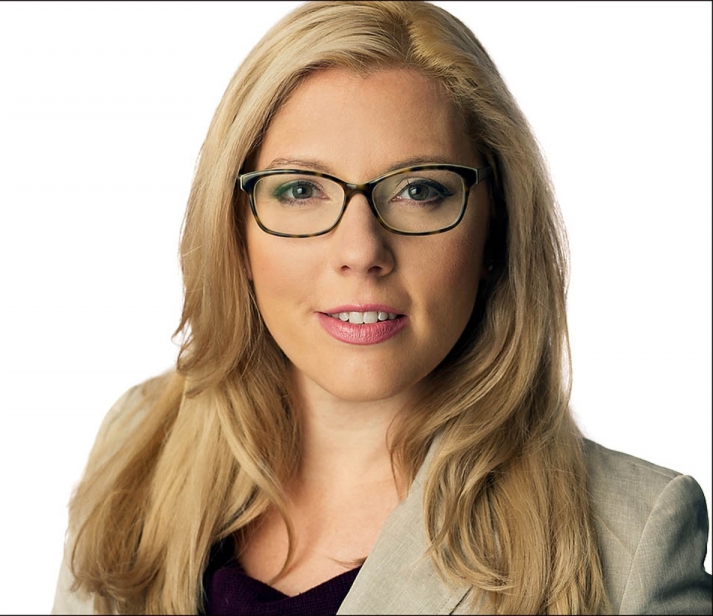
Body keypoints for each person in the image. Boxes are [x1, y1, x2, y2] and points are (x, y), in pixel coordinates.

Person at [51, 1, 712, 613]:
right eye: (301, 189)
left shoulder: (632, 543)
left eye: (420, 189)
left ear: (497, 229)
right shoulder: (139, 443)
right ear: (235, 230)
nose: (361, 249)